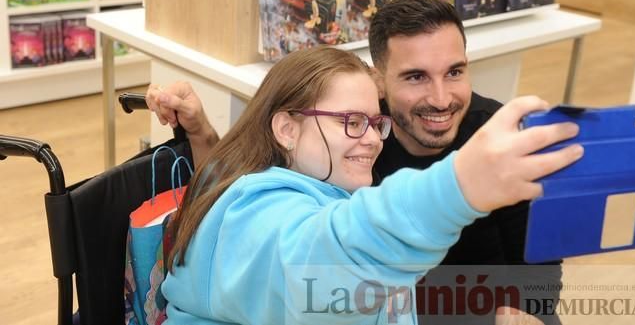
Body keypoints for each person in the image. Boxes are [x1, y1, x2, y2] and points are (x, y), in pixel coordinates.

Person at [147, 45, 582, 325]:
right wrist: (460, 186)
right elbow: (323, 257)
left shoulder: (276, 183)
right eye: (352, 123)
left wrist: (203, 135)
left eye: (376, 122)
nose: (373, 138)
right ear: (286, 129)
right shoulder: (258, 216)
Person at [367, 0, 562, 324]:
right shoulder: (359, 140)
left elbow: (540, 264)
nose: (441, 100)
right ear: (379, 82)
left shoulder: (500, 133)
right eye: (416, 77)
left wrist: (526, 312)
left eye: (454, 72)